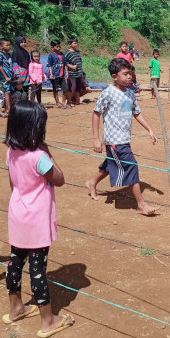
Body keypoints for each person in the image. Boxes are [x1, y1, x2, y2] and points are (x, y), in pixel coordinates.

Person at [3, 100, 74, 338]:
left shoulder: (11, 152)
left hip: (17, 213)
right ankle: (48, 320)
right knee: (37, 270)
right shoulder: (38, 157)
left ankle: (16, 308)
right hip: (36, 219)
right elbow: (60, 179)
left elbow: (13, 183)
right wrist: (48, 153)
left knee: (15, 261)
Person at [86, 58, 159, 216]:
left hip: (125, 138)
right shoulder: (108, 93)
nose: (129, 77)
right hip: (114, 140)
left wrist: (149, 129)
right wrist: (96, 138)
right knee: (130, 165)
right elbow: (96, 114)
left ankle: (92, 182)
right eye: (125, 74)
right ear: (114, 76)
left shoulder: (130, 93)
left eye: (130, 74)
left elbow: (136, 113)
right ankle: (141, 204)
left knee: (112, 163)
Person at [47, 40, 68, 109]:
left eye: (59, 46)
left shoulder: (62, 55)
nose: (59, 48)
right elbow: (49, 65)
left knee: (65, 89)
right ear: (53, 47)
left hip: (62, 75)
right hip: (55, 75)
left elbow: (65, 64)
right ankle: (57, 102)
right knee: (55, 90)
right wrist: (51, 74)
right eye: (57, 46)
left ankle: (63, 102)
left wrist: (66, 72)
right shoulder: (51, 55)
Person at [0, 39, 13, 115]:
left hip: (10, 76)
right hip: (5, 77)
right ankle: (8, 109)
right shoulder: (0, 55)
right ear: (1, 46)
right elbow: (0, 67)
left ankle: (8, 108)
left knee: (9, 92)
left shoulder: (9, 55)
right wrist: (5, 76)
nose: (8, 47)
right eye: (6, 45)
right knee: (7, 92)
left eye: (9, 45)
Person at [65, 38, 83, 106]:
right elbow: (65, 63)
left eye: (76, 43)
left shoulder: (77, 52)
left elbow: (79, 61)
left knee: (78, 87)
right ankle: (69, 101)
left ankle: (77, 101)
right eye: (74, 43)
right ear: (70, 44)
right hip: (72, 73)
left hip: (79, 72)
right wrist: (71, 67)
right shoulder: (67, 53)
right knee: (71, 87)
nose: (76, 44)